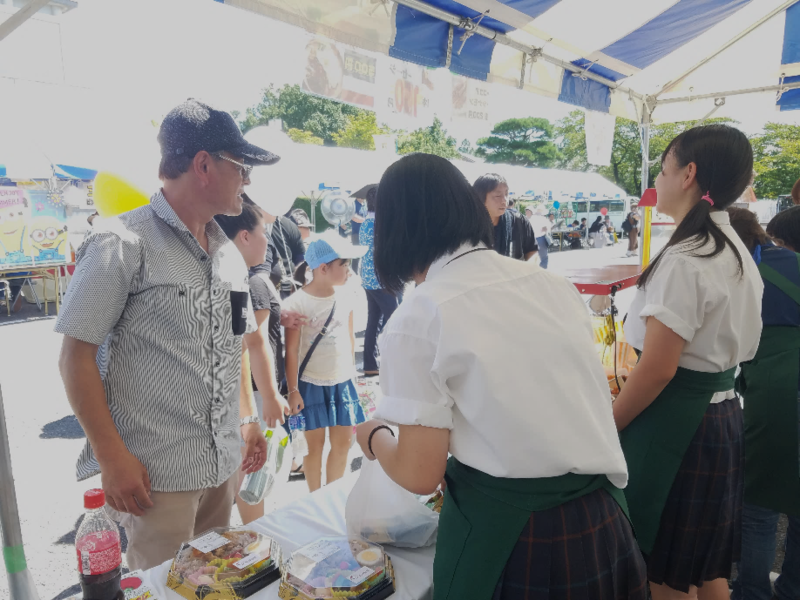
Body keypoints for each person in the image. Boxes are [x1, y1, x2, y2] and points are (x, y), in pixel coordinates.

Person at [356, 154, 647, 600]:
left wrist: (374, 435)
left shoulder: (420, 315)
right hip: (604, 518)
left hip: (515, 538)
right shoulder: (551, 284)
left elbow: (420, 473)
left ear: (394, 229)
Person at [55, 99, 277, 570]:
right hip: (156, 479)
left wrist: (247, 418)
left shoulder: (229, 255)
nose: (247, 180)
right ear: (203, 165)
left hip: (221, 466)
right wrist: (111, 458)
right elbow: (75, 357)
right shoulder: (121, 242)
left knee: (213, 582)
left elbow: (234, 342)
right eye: (241, 167)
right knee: (163, 588)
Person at [612, 125, 763, 600]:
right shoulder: (733, 245)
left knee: (665, 572)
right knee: (702, 565)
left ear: (689, 173)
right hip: (720, 416)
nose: (658, 179)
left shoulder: (687, 256)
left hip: (678, 426)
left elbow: (658, 369)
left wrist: (608, 424)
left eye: (663, 168)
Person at [725, 208, 800, 600]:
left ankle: (751, 591)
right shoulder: (793, 263)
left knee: (759, 504)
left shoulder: (743, 273)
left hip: (776, 396)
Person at [214, 202, 290, 524]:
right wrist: (268, 397)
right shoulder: (247, 282)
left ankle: (252, 531)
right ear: (244, 236)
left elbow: (246, 346)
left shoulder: (232, 277)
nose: (268, 241)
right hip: (247, 396)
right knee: (250, 473)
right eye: (263, 233)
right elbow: (250, 346)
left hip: (237, 399)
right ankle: (254, 531)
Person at [283, 234, 368, 492]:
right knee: (314, 449)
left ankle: (332, 498)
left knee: (343, 446)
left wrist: (353, 378)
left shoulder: (347, 296)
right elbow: (291, 351)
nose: (349, 270)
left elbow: (350, 339)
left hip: (342, 382)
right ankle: (315, 499)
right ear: (323, 268)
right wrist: (293, 390)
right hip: (310, 384)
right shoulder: (297, 302)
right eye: (344, 264)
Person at [359, 186, 401, 377]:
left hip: (369, 278)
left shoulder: (366, 222)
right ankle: (395, 362)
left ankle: (370, 364)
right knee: (396, 320)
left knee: (373, 322)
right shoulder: (380, 224)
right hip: (382, 280)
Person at [474, 173, 537, 261]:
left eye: (506, 194)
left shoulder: (519, 221)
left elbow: (532, 251)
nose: (505, 200)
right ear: (479, 198)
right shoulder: (466, 227)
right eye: (498, 195)